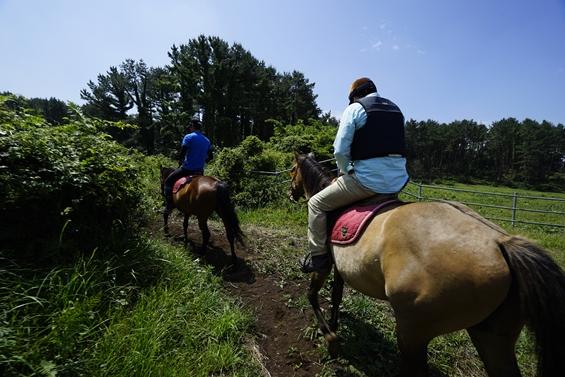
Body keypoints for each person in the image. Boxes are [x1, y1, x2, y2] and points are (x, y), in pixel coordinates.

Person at [302, 77, 410, 274]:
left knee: (316, 203)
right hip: (398, 182)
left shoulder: (356, 108)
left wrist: (346, 170)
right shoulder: (396, 110)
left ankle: (318, 257)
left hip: (367, 182)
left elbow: (340, 151)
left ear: (355, 95)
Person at [163, 116, 213, 215]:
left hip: (187, 169)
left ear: (192, 126)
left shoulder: (189, 137)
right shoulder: (206, 140)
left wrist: (180, 161)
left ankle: (169, 205)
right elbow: (211, 157)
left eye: (190, 126)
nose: (189, 128)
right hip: (200, 171)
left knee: (168, 182)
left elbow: (183, 152)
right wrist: (202, 161)